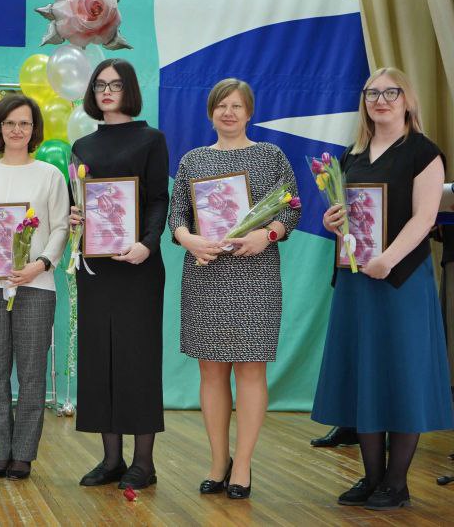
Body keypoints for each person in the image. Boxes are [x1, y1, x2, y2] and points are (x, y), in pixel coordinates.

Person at [312, 67, 453, 510]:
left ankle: (396, 482)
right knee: (365, 375)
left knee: (402, 375)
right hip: (356, 282)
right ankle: (372, 478)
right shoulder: (351, 155)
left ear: (407, 100)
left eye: (391, 92)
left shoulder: (424, 152)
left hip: (401, 280)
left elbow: (424, 218)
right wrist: (331, 221)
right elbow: (346, 214)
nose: (381, 100)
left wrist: (388, 259)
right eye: (372, 93)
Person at [168, 78, 300, 499]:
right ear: (210, 112)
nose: (228, 112)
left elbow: (292, 208)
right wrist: (188, 239)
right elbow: (177, 216)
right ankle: (217, 462)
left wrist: (269, 234)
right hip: (206, 273)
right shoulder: (193, 160)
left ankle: (242, 465)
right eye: (221, 105)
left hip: (255, 274)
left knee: (250, 368)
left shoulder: (270, 156)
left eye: (237, 106)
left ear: (249, 112)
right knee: (210, 369)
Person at [70, 59, 169, 490]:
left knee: (137, 359)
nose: (106, 91)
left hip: (139, 266)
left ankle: (143, 463)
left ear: (129, 89)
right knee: (100, 359)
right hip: (96, 268)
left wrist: (147, 243)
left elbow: (159, 198)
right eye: (99, 85)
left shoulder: (152, 139)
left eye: (115, 84)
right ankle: (111, 460)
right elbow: (82, 203)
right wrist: (77, 218)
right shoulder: (82, 146)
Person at [0, 94, 69, 481]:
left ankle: (23, 454)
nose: (17, 130)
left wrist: (41, 264)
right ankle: (0, 453)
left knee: (32, 373)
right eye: (9, 123)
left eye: (24, 123)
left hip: (36, 286)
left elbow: (60, 227)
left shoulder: (50, 176)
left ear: (34, 129)